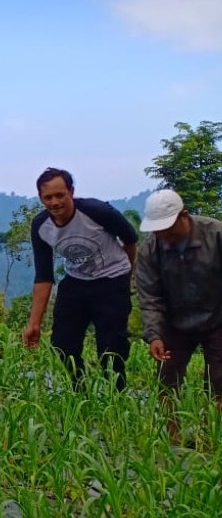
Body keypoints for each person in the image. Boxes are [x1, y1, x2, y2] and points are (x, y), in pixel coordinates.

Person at [22, 168, 138, 390]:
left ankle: (116, 398)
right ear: (40, 198)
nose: (55, 202)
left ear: (71, 192)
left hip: (112, 279)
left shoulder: (97, 211)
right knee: (62, 344)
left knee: (112, 348)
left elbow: (130, 239)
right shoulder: (41, 226)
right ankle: (80, 391)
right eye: (48, 197)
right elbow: (44, 276)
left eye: (60, 195)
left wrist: (125, 276)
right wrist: (34, 323)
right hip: (76, 281)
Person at [135, 189, 222, 422]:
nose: (163, 235)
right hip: (175, 322)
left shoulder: (216, 235)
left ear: (184, 216)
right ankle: (171, 437)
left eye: (168, 229)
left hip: (218, 318)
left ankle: (212, 434)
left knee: (219, 379)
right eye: (158, 230)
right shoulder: (150, 250)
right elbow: (150, 297)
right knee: (167, 378)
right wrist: (154, 335)